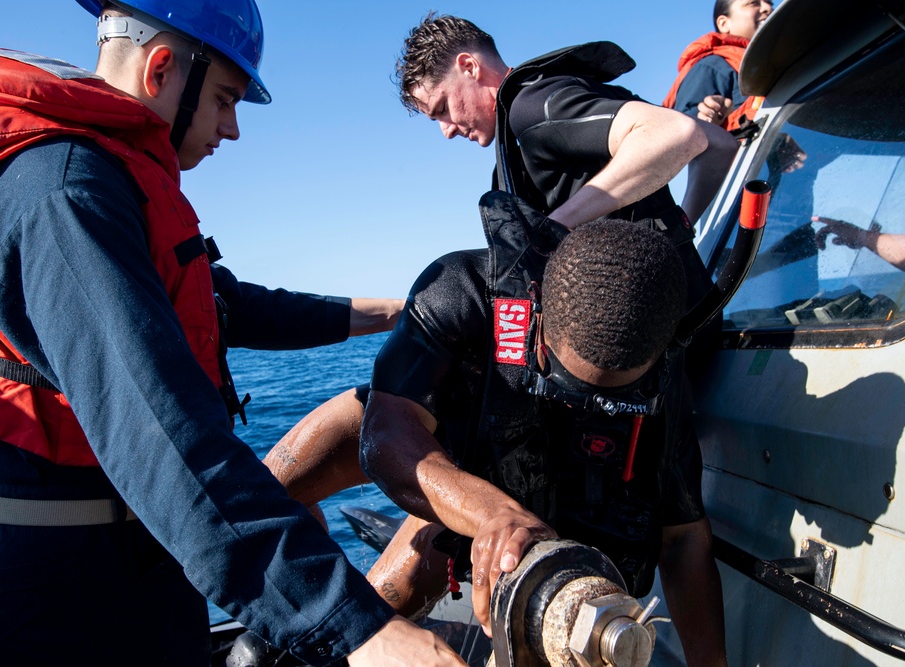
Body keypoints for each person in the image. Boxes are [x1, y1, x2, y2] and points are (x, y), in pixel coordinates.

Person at [0, 2, 464, 665]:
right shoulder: (67, 198)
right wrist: (362, 629)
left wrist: (397, 311)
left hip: (130, 565)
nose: (232, 128)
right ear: (162, 68)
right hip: (56, 600)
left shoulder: (110, 184)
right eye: (226, 99)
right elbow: (161, 436)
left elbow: (233, 306)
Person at [263, 12, 737, 518]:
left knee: (377, 412)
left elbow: (677, 135)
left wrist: (552, 228)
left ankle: (264, 508)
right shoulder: (515, 146)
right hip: (685, 332)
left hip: (642, 349)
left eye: (442, 108)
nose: (446, 131)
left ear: (469, 66)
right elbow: (721, 145)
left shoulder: (530, 106)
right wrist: (680, 223)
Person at [359, 196, 727, 665]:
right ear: (537, 320)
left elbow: (684, 537)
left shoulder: (664, 371)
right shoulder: (464, 291)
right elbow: (385, 436)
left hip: (580, 563)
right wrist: (494, 514)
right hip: (469, 491)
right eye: (570, 387)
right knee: (348, 415)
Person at [662, 0, 773, 129]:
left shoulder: (779, 63)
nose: (767, 8)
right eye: (753, 3)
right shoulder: (712, 66)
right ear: (724, 24)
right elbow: (685, 131)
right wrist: (708, 118)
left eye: (770, 3)